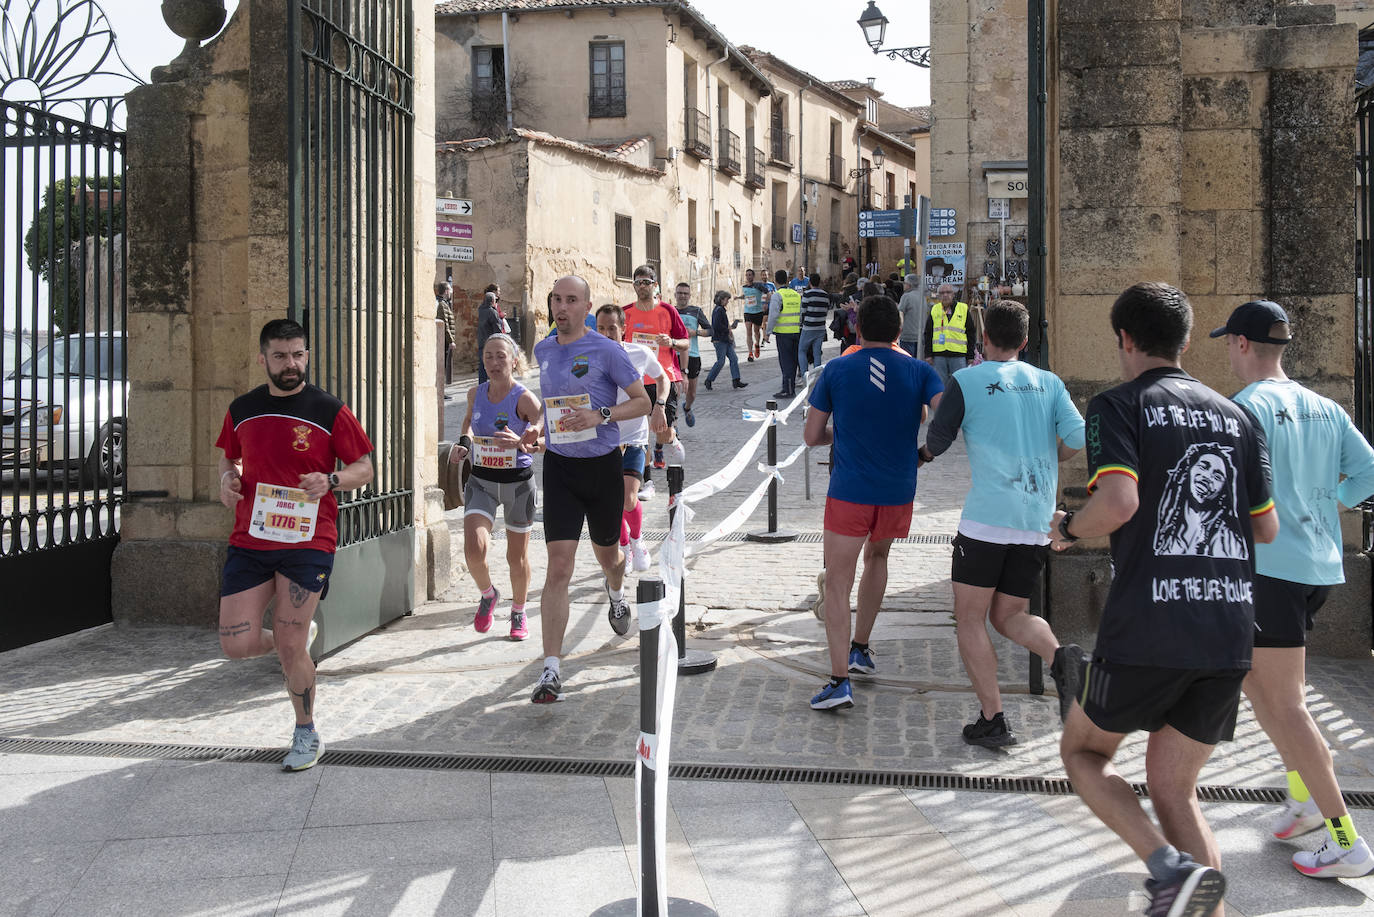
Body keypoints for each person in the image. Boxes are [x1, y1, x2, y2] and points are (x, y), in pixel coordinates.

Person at [1050, 282, 1277, 917]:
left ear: (1124, 339)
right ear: (1183, 339)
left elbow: (1118, 504)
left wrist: (1069, 529)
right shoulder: (1237, 416)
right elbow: (1265, 527)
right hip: (1230, 624)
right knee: (1176, 787)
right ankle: (1202, 900)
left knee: (1084, 752)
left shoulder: (1117, 405)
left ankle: (1165, 868)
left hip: (1151, 620)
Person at [1217, 299, 1374, 878]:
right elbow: (1369, 471)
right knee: (1265, 692)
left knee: (1284, 703)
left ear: (1240, 344)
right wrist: (1325, 505)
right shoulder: (1325, 407)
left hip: (1270, 569)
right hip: (1313, 567)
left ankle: (1346, 838)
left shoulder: (1244, 408)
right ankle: (1305, 803)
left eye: (1227, 343)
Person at [919, 300, 1086, 748]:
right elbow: (1077, 436)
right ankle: (1062, 657)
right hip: (1034, 523)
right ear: (1026, 342)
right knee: (1011, 614)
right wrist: (1048, 459)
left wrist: (918, 456)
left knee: (971, 619)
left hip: (986, 522)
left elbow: (938, 440)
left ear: (984, 339)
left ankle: (993, 718)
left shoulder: (967, 380)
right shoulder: (1048, 382)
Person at [216, 318, 375, 771]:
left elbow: (364, 467)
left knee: (288, 644)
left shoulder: (328, 409)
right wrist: (227, 479)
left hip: (309, 539)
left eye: (299, 354)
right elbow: (228, 457)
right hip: (251, 538)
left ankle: (306, 733)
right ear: (264, 358)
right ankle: (297, 637)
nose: (292, 364)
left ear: (307, 355)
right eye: (282, 356)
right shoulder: (242, 408)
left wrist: (331, 479)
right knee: (237, 644)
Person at [803, 295, 943, 711]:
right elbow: (948, 415)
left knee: (838, 582)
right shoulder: (921, 370)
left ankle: (838, 680)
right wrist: (926, 452)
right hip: (898, 488)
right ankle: (860, 647)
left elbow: (812, 437)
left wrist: (840, 436)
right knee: (878, 560)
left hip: (850, 490)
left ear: (857, 329)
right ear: (900, 331)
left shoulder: (837, 369)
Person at [530, 275, 651, 703]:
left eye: (571, 301)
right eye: (556, 300)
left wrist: (602, 414)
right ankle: (550, 669)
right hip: (560, 469)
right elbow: (549, 406)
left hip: (602, 468)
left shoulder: (607, 350)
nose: (561, 308)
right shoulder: (543, 349)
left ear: (586, 307)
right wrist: (537, 429)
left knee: (610, 558)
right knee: (558, 568)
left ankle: (615, 594)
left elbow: (643, 402)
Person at [448, 333, 543, 641]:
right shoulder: (475, 393)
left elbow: (545, 434)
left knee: (516, 558)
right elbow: (467, 423)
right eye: (488, 356)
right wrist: (464, 443)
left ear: (513, 360)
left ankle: (518, 611)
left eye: (500, 356)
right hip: (482, 481)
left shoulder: (524, 398)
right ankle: (488, 594)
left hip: (517, 485)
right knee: (474, 550)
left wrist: (525, 441)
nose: (493, 362)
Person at [594, 303, 670, 575]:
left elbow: (663, 379)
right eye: (600, 329)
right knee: (612, 500)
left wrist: (659, 405)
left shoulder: (639, 353)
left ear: (623, 328)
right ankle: (623, 545)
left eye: (611, 328)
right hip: (602, 440)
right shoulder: (589, 359)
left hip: (634, 438)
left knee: (628, 497)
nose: (606, 334)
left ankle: (637, 540)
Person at [624, 264, 689, 498]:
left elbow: (685, 343)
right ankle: (647, 483)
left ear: (655, 285)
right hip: (635, 382)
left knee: (661, 433)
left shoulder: (668, 311)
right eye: (638, 282)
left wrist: (670, 342)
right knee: (639, 436)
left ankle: (672, 440)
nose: (642, 286)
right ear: (633, 286)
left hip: (663, 379)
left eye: (646, 282)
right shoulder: (626, 313)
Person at [673, 281, 710, 427]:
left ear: (689, 296)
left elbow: (710, 330)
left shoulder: (696, 311)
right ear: (675, 295)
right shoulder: (670, 311)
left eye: (685, 293)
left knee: (692, 393)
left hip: (693, 355)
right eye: (680, 293)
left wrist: (695, 332)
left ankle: (687, 408)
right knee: (674, 392)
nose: (682, 296)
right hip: (673, 355)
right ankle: (674, 424)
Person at [763, 269, 801, 399]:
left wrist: (767, 332)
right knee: (793, 361)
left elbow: (773, 315)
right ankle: (790, 387)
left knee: (785, 363)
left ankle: (788, 390)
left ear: (775, 280)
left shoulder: (777, 295)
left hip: (783, 334)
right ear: (787, 280)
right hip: (796, 332)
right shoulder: (796, 294)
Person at [924, 283, 972, 385]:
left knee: (959, 384)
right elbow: (928, 333)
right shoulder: (935, 309)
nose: (945, 295)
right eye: (942, 293)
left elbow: (971, 333)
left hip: (958, 354)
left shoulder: (963, 308)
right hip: (939, 355)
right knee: (940, 385)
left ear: (953, 294)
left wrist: (970, 355)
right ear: (938, 295)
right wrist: (928, 354)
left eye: (948, 292)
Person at [704, 289, 747, 391]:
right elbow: (717, 326)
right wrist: (729, 329)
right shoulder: (719, 310)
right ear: (722, 300)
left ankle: (736, 380)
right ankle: (709, 379)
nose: (728, 301)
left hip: (725, 340)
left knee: (734, 359)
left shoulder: (720, 309)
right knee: (721, 361)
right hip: (720, 340)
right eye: (727, 299)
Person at [798, 272, 830, 377]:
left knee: (802, 350)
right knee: (817, 353)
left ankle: (805, 375)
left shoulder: (807, 294)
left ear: (810, 282)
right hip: (820, 327)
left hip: (808, 327)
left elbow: (803, 311)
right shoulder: (825, 295)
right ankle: (817, 377)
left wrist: (800, 324)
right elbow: (826, 310)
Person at [735, 268, 770, 362]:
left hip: (758, 312)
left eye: (750, 275)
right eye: (747, 275)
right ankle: (750, 353)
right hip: (747, 312)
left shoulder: (758, 285)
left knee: (756, 331)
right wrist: (738, 297)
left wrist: (766, 303)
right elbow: (745, 296)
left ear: (753, 276)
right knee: (748, 332)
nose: (748, 276)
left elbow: (768, 293)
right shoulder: (744, 287)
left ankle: (757, 344)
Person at [476, 292, 503, 385]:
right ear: (492, 301)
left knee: (482, 364)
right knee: (494, 362)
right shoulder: (492, 311)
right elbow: (497, 327)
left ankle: (482, 384)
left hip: (481, 340)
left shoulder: (480, 310)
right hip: (490, 341)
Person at [897, 274, 924, 359]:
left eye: (904, 283)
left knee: (907, 362)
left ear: (909, 284)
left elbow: (900, 313)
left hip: (907, 335)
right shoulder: (922, 296)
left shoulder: (906, 296)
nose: (903, 285)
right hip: (920, 336)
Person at [436, 281, 455, 389]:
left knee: (443, 366)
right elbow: (445, 324)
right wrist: (451, 340)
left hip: (444, 340)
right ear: (446, 291)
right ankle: (440, 390)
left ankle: (441, 390)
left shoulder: (443, 303)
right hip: (444, 341)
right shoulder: (442, 305)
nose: (451, 292)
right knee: (441, 366)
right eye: (450, 290)